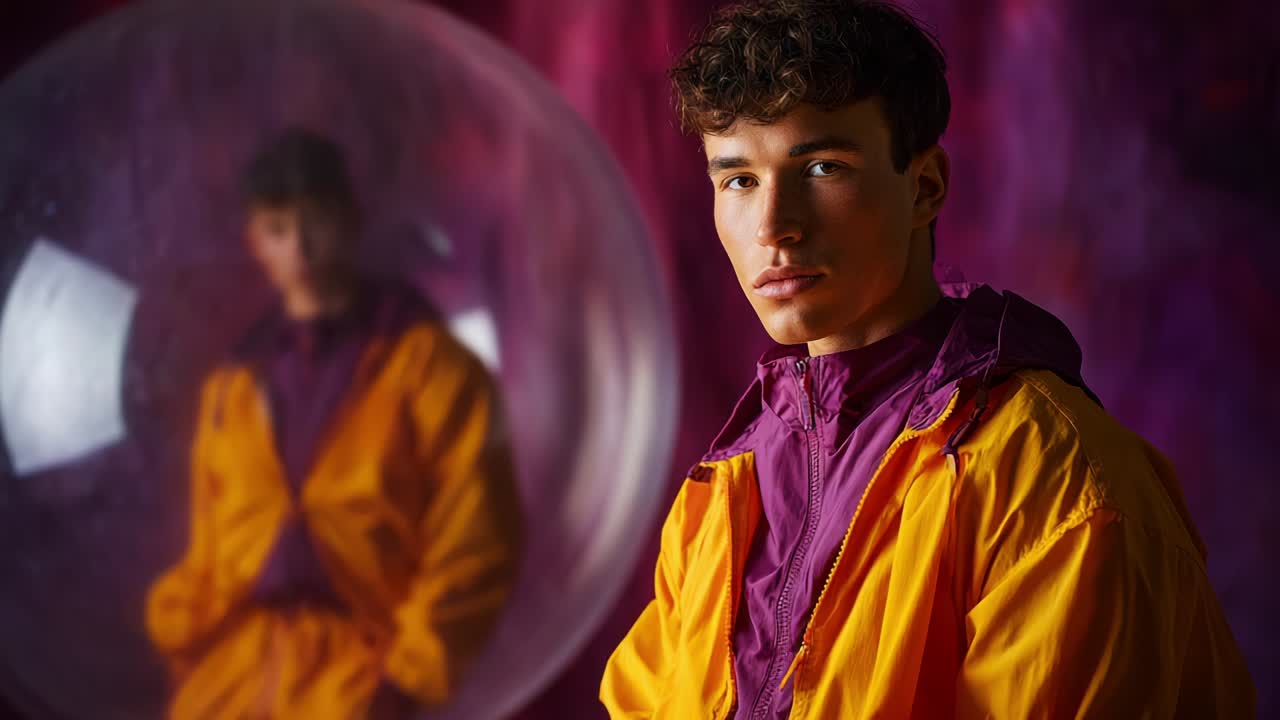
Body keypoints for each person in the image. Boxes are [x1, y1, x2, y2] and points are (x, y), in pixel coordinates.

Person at [601, 1, 1255, 717]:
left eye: (821, 166)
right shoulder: (721, 495)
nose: (774, 227)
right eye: (738, 180)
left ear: (925, 187)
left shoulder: (1055, 481)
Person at [145, 129, 522, 719]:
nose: (300, 248)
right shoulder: (233, 389)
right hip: (235, 667)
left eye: (314, 222)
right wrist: (186, 640)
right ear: (254, 243)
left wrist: (406, 680)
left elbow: (472, 541)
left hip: (364, 668)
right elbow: (210, 551)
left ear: (350, 219)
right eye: (277, 230)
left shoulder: (428, 368)